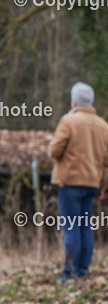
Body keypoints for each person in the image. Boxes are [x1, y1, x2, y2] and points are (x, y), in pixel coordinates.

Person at [48, 82, 108, 283]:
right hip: (92, 183)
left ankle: (69, 271)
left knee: (71, 227)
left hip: (70, 182)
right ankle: (82, 270)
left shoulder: (68, 121)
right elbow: (106, 162)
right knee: (85, 227)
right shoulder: (103, 126)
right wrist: (102, 186)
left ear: (74, 101)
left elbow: (54, 151)